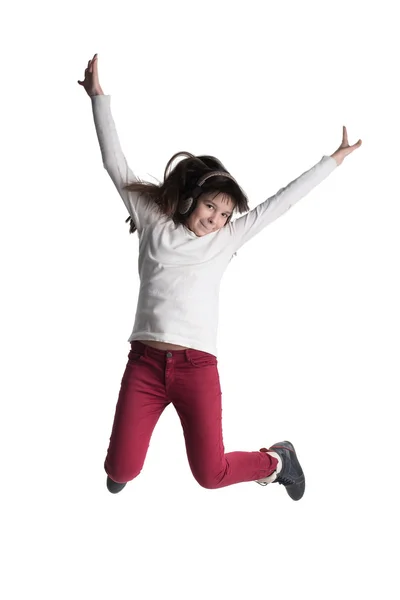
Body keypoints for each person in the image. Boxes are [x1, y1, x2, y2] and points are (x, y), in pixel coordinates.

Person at [78, 53, 362, 500]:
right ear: (192, 199)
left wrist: (333, 161)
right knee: (118, 471)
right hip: (146, 366)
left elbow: (281, 202)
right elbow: (116, 165)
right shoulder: (153, 222)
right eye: (212, 205)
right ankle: (122, 463)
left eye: (226, 213)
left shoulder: (225, 240)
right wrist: (98, 97)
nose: (217, 218)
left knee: (210, 474)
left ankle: (278, 461)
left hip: (196, 370)